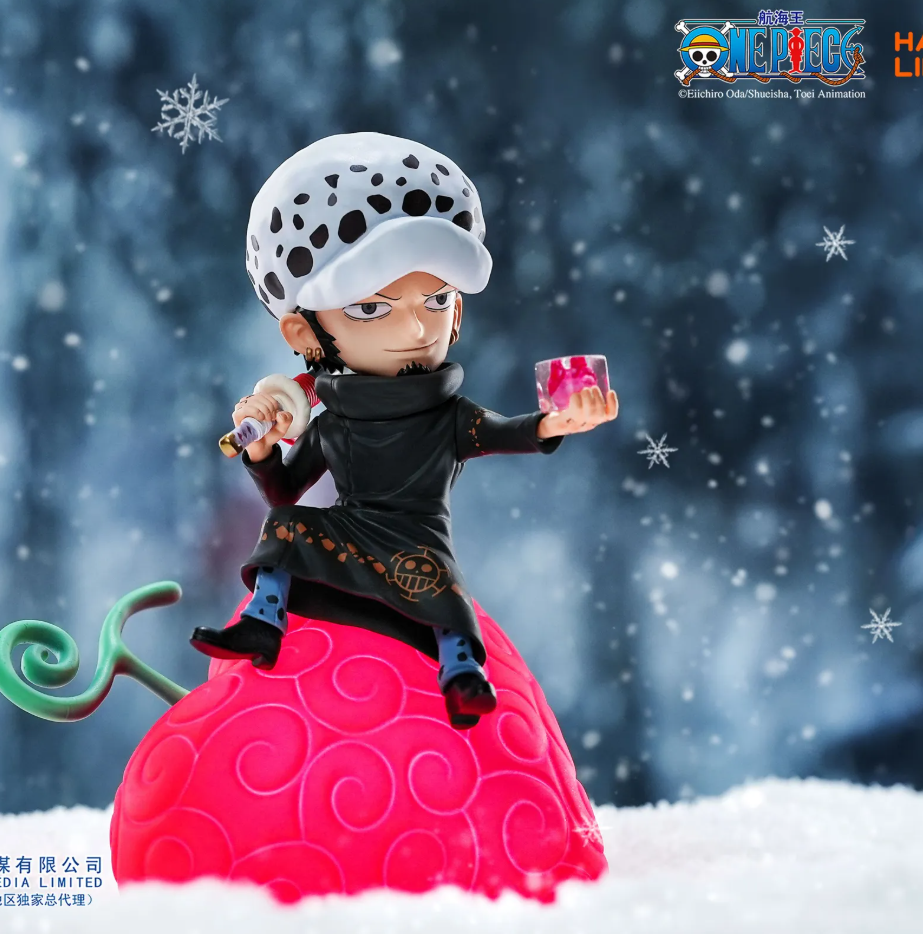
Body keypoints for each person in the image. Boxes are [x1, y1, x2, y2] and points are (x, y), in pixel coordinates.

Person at [189, 133, 618, 728]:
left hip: (417, 541)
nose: (417, 328)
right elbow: (285, 493)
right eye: (371, 308)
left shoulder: (448, 416)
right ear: (306, 336)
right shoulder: (335, 419)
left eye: (436, 300)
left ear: (457, 312)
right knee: (287, 528)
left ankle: (461, 671)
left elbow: (507, 431)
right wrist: (261, 452)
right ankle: (263, 623)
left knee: (442, 589)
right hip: (347, 532)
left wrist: (554, 422)